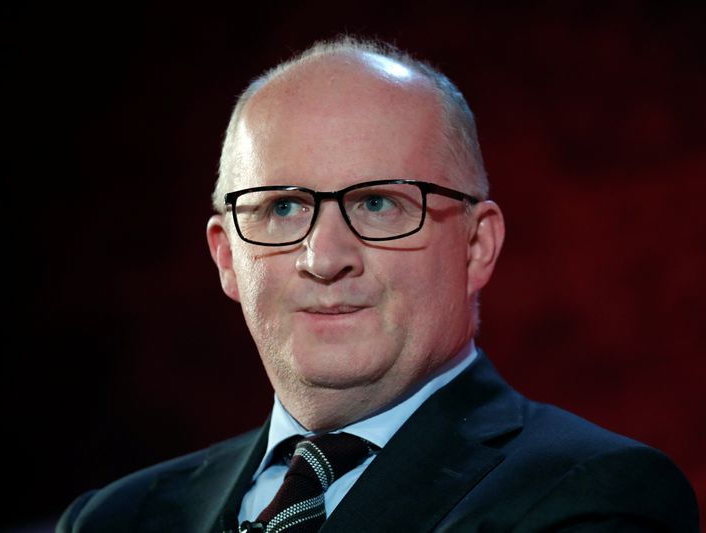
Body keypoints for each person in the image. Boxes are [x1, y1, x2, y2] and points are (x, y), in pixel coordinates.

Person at [56, 38, 699, 533]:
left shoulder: (595, 496)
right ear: (227, 257)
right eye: (281, 207)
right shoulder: (116, 517)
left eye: (379, 205)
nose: (324, 257)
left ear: (477, 247)